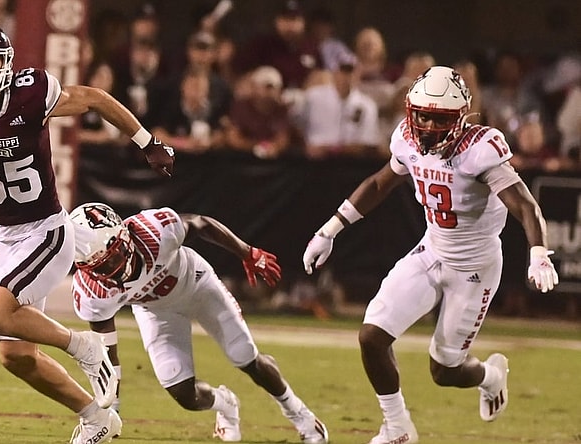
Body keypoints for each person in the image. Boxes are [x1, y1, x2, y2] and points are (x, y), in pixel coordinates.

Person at [0, 20, 174, 444]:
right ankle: (96, 418)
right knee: (15, 356)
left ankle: (85, 347)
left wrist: (147, 142)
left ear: (7, 64)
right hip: (3, 239)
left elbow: (94, 99)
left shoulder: (30, 93)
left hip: (47, 231)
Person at [302, 66, 559, 444]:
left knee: (444, 370)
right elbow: (378, 183)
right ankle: (397, 427)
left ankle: (490, 377)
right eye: (420, 114)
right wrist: (330, 229)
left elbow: (523, 204)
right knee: (372, 336)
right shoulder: (406, 137)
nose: (424, 124)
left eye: (436, 118)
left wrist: (538, 252)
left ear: (458, 119)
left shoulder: (479, 149)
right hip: (432, 250)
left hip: (474, 268)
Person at [69, 202, 329, 444]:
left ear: (124, 236)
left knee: (245, 355)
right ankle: (225, 403)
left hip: (197, 285)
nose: (112, 270)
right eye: (101, 267)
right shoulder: (92, 291)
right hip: (157, 311)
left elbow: (201, 224)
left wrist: (247, 253)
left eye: (113, 257)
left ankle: (300, 415)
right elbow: (106, 352)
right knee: (184, 393)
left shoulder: (155, 231)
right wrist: (113, 408)